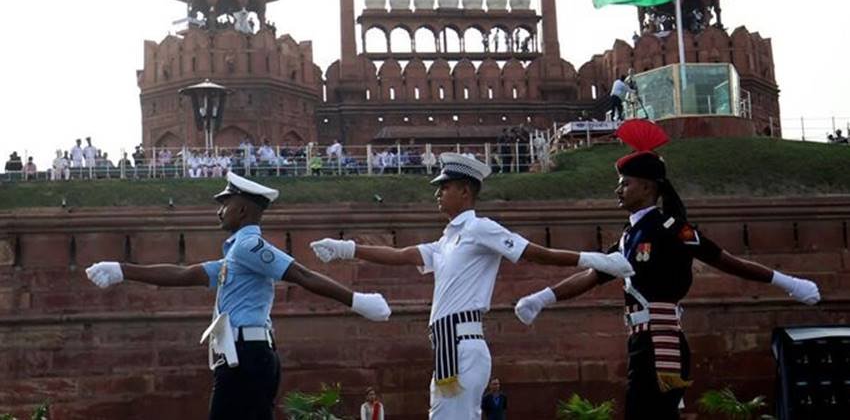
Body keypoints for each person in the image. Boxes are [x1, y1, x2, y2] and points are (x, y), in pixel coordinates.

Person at [514, 120, 821, 420]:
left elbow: (726, 261)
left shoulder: (671, 229)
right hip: (640, 341)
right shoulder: (628, 235)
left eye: (625, 183)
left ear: (647, 187)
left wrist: (789, 282)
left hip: (661, 341)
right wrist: (542, 298)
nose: (618, 190)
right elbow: (593, 275)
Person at [310, 153, 634, 419]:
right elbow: (401, 254)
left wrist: (598, 261)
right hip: (448, 346)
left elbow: (535, 253)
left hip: (463, 345)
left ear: (465, 190)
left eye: (445, 187)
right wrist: (346, 248)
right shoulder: (447, 241)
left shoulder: (481, 228)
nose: (438, 193)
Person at [85, 171, 391, 420]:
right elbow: (185, 274)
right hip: (240, 354)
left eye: (226, 203)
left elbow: (301, 274)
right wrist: (123, 270)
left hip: (247, 356)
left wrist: (358, 302)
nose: (219, 210)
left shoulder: (247, 247)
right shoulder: (235, 254)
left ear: (243, 209)